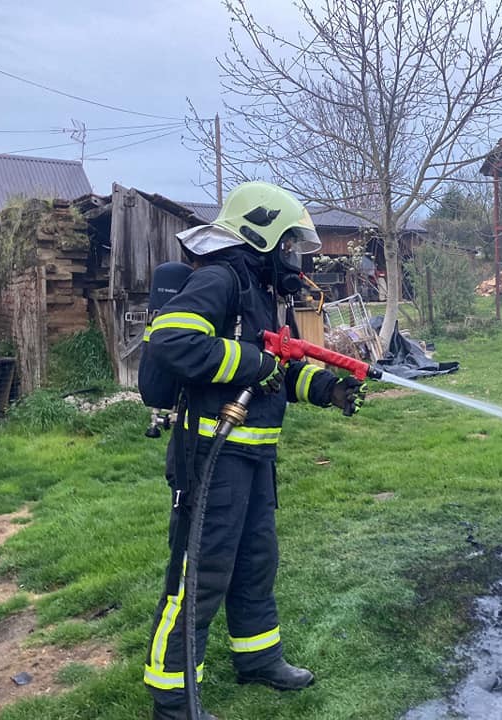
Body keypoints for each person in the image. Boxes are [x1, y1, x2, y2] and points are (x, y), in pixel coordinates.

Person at [141, 181, 367, 720]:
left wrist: (327, 389)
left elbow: (278, 369)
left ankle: (259, 659)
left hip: (253, 459)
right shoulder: (220, 279)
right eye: (288, 243)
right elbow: (174, 342)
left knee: (254, 565)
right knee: (201, 574)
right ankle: (174, 700)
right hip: (210, 457)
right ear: (261, 235)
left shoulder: (263, 296)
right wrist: (254, 363)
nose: (294, 256)